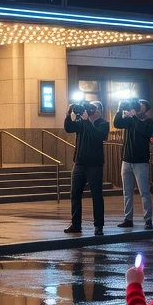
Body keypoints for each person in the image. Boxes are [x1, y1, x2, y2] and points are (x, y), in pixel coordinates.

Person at [63, 99, 109, 235]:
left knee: (97, 195)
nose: (89, 111)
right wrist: (69, 114)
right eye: (89, 108)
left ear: (99, 111)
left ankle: (98, 225)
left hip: (94, 165)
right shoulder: (81, 123)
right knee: (75, 194)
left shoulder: (103, 124)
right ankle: (76, 224)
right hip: (79, 164)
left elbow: (98, 136)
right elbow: (69, 128)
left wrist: (86, 120)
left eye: (93, 109)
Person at [113, 98, 153, 230]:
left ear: (146, 109)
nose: (138, 107)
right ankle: (128, 218)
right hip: (126, 161)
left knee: (144, 192)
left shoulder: (148, 121)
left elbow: (144, 131)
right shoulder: (130, 120)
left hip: (141, 162)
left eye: (140, 106)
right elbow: (117, 123)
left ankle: (148, 219)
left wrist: (134, 116)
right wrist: (120, 109)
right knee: (127, 192)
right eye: (137, 105)